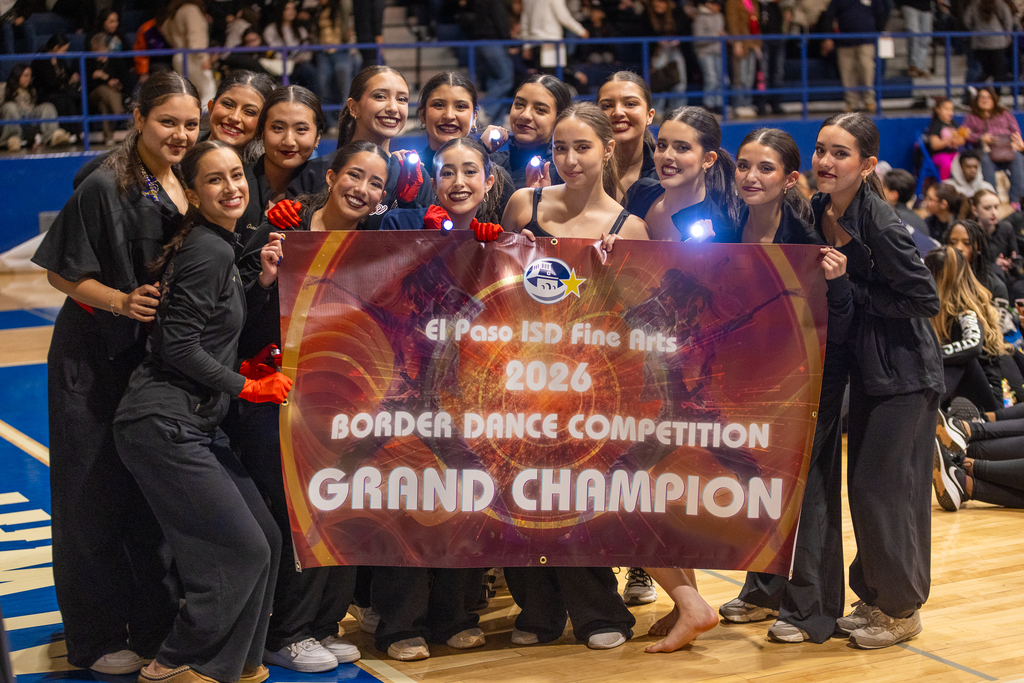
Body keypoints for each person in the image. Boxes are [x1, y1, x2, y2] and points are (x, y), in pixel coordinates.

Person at [30, 71, 201, 677]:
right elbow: (59, 273)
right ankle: (95, 635)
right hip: (93, 361)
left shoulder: (186, 181)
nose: (180, 133)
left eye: (189, 123)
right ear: (138, 118)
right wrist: (122, 302)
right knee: (90, 497)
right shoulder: (105, 184)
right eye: (167, 121)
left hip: (152, 365)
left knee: (147, 498)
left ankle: (152, 621)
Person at [113, 140, 288, 683]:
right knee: (238, 551)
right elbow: (177, 346)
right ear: (192, 194)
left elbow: (212, 332)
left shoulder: (218, 246)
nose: (232, 186)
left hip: (192, 424)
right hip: (163, 424)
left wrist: (257, 284)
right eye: (214, 180)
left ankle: (236, 662)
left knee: (267, 542)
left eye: (236, 175)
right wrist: (246, 388)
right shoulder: (208, 250)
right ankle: (174, 664)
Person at [233, 141, 390, 672]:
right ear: (331, 176)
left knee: (337, 507)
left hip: (344, 402)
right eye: (355, 176)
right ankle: (287, 631)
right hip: (278, 400)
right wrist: (266, 277)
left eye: (374, 184)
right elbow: (238, 318)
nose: (362, 190)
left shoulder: (375, 242)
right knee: (296, 513)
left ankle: (322, 623)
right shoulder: (282, 231)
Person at [500, 102, 645, 652]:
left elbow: (641, 316)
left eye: (581, 147)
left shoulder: (630, 226)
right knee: (518, 495)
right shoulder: (524, 203)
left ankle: (597, 609)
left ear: (608, 149)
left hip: (589, 385)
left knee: (577, 497)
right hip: (515, 376)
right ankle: (537, 609)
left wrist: (615, 277)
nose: (568, 159)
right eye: (559, 147)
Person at [812, 112, 943, 649]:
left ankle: (903, 607)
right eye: (821, 149)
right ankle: (876, 594)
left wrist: (851, 289)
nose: (825, 161)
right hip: (870, 369)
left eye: (840, 153)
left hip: (906, 374)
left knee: (884, 490)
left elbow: (924, 298)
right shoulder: (823, 207)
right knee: (867, 489)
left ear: (866, 166)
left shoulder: (883, 224)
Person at [719, 128, 853, 644]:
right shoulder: (729, 228)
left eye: (766, 168)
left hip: (810, 384)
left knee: (808, 492)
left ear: (790, 177)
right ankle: (761, 590)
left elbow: (838, 324)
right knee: (762, 488)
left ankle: (809, 609)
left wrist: (837, 284)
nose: (752, 176)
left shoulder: (809, 238)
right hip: (751, 383)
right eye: (745, 165)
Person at [624, 106, 741, 241]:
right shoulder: (639, 191)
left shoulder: (719, 229)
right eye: (662, 145)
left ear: (708, 159)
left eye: (682, 148)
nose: (667, 155)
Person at [415, 71, 515, 215]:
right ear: (422, 115)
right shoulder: (408, 172)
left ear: (474, 117)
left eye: (460, 106)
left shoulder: (499, 179)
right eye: (438, 105)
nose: (449, 115)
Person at [248, 85, 325, 238]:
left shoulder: (327, 191)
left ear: (318, 137)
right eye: (278, 128)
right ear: (262, 132)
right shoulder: (238, 185)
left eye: (301, 129)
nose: (289, 141)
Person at [482, 74, 572, 191]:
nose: (525, 115)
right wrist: (480, 151)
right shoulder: (491, 163)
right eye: (519, 104)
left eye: (540, 110)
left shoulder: (566, 172)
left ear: (559, 118)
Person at [597, 71, 658, 202]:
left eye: (630, 104)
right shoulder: (580, 171)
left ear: (650, 115)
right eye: (607, 106)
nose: (618, 112)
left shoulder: (666, 174)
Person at [820, 0, 890, 113]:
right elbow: (829, 15)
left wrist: (881, 31)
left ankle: (869, 100)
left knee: (866, 68)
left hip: (866, 40)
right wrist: (828, 36)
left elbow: (881, 12)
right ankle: (852, 102)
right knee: (847, 72)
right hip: (844, 42)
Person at [962, 87, 1024, 209]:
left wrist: (1015, 142)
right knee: (985, 161)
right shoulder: (972, 116)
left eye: (988, 97)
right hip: (985, 150)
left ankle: (1015, 200)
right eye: (981, 97)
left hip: (1006, 148)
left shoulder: (1004, 113)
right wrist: (981, 138)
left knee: (1018, 158)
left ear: (993, 99)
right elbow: (965, 134)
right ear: (977, 100)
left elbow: (1016, 131)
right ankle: (992, 198)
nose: (985, 100)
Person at [1, 64, 71, 151]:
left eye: (30, 76)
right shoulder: (4, 87)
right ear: (17, 75)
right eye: (25, 76)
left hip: (29, 121)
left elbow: (33, 109)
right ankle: (12, 140)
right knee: (9, 107)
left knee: (47, 106)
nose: (28, 78)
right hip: (14, 121)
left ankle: (53, 136)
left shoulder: (32, 90)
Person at [162, 0, 216, 104]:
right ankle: (204, 119)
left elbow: (165, 29)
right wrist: (203, 57)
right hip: (193, 57)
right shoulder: (190, 9)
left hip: (179, 56)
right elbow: (195, 37)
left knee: (190, 92)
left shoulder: (175, 12)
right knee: (208, 89)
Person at [942, 217, 1009, 300]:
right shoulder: (938, 280)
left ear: (979, 248)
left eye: (967, 243)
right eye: (952, 242)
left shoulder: (995, 287)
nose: (958, 248)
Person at [883, 168, 942, 257]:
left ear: (893, 195)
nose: (878, 191)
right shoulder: (921, 221)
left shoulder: (888, 219)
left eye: (883, 187)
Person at [29, 33, 80, 135]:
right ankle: (65, 132)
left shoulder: (59, 59)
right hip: (46, 93)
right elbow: (49, 82)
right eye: (64, 50)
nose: (65, 53)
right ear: (56, 47)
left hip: (60, 91)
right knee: (63, 101)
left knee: (75, 98)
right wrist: (66, 81)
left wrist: (72, 75)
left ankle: (76, 133)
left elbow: (66, 72)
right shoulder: (41, 60)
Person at [263, 0, 317, 91]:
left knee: (309, 70)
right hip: (279, 66)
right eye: (288, 9)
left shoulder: (300, 30)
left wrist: (301, 58)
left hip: (297, 64)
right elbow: (271, 50)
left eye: (293, 9)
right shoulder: (271, 30)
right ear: (281, 11)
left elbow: (307, 51)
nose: (291, 12)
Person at [314, 0, 360, 106]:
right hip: (323, 53)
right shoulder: (318, 11)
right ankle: (332, 122)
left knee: (344, 88)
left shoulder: (342, 8)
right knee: (324, 90)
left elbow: (348, 25)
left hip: (341, 51)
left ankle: (347, 118)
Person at [962, 0, 1013, 88]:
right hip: (997, 42)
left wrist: (975, 29)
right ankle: (996, 96)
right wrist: (1007, 36)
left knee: (985, 70)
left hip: (979, 42)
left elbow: (967, 21)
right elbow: (1008, 20)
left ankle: (975, 90)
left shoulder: (975, 4)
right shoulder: (1000, 4)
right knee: (998, 72)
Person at [725, 0, 760, 118]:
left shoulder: (753, 2)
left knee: (749, 77)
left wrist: (757, 44)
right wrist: (737, 42)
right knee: (739, 76)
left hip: (752, 43)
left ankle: (747, 103)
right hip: (741, 42)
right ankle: (739, 105)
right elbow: (733, 22)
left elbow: (756, 25)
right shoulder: (733, 2)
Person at [693, 0, 726, 113]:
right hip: (705, 52)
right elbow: (698, 39)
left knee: (722, 79)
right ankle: (709, 105)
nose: (718, 7)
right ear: (709, 4)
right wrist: (715, 35)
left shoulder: (720, 16)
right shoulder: (700, 17)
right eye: (716, 4)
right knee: (711, 79)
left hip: (718, 52)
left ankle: (719, 105)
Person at [926, 97, 966, 181]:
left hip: (954, 153)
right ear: (938, 110)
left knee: (966, 161)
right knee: (946, 164)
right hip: (939, 155)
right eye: (946, 109)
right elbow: (934, 145)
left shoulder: (953, 124)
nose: (949, 112)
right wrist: (948, 141)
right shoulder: (936, 125)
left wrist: (959, 138)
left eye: (951, 109)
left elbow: (961, 141)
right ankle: (944, 186)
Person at [898, 0, 932, 77]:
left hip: (926, 7)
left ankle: (920, 66)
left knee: (925, 38)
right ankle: (913, 65)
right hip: (909, 5)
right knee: (914, 36)